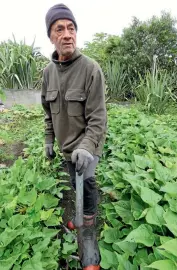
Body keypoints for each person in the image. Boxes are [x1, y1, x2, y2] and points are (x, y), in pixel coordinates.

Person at [42, 4, 107, 269]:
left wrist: (87, 147)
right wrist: (48, 139)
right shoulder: (47, 73)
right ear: (51, 36)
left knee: (87, 183)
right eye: (60, 29)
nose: (67, 34)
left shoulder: (91, 69)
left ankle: (87, 231)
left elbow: (98, 119)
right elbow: (47, 111)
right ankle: (78, 217)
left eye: (71, 28)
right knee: (73, 180)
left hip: (88, 145)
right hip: (66, 147)